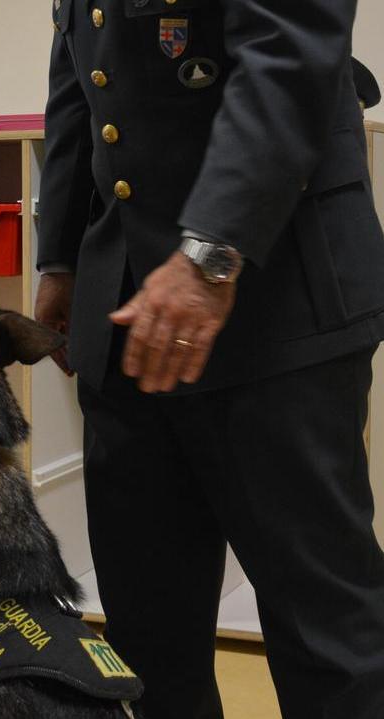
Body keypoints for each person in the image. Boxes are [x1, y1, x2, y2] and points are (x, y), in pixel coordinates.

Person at [37, 2, 384, 717]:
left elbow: (287, 54)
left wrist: (208, 256)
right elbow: (80, 73)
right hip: (129, 302)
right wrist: (62, 257)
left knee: (323, 629)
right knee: (146, 632)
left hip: (278, 297)